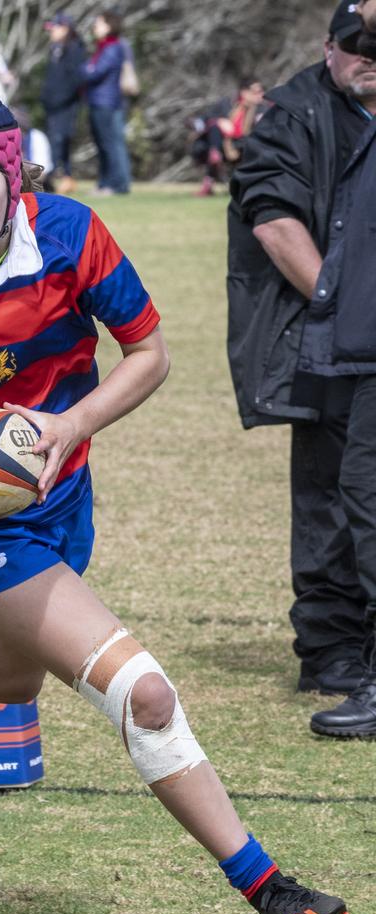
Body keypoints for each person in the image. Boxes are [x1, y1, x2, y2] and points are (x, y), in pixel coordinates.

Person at [0, 90, 348, 914]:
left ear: (11, 179)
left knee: (5, 678)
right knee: (145, 693)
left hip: (62, 498)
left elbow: (149, 354)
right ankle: (268, 887)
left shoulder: (69, 237)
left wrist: (70, 425)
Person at [227, 1, 376, 734]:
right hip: (331, 340)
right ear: (328, 48)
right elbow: (273, 216)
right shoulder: (293, 111)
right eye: (356, 44)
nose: (368, 56)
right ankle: (333, 649)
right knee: (333, 496)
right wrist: (339, 305)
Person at [82, 10, 132, 194]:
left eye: (99, 23)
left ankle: (117, 184)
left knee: (110, 144)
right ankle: (104, 183)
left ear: (109, 26)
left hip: (106, 102)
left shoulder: (113, 47)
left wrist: (85, 69)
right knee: (102, 145)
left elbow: (95, 71)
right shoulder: (103, 46)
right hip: (98, 100)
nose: (95, 27)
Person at [191, 78, 265, 196]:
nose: (261, 95)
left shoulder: (262, 111)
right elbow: (201, 121)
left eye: (261, 91)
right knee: (213, 129)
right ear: (244, 92)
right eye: (256, 92)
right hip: (221, 144)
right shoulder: (226, 104)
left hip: (244, 146)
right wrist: (218, 122)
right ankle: (214, 159)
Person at [40, 13, 85, 193]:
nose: (51, 32)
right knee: (57, 140)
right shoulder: (55, 49)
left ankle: (53, 178)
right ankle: (65, 177)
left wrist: (60, 99)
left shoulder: (75, 49)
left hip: (65, 105)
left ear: (65, 29)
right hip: (53, 104)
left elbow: (75, 80)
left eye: (55, 28)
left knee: (60, 140)